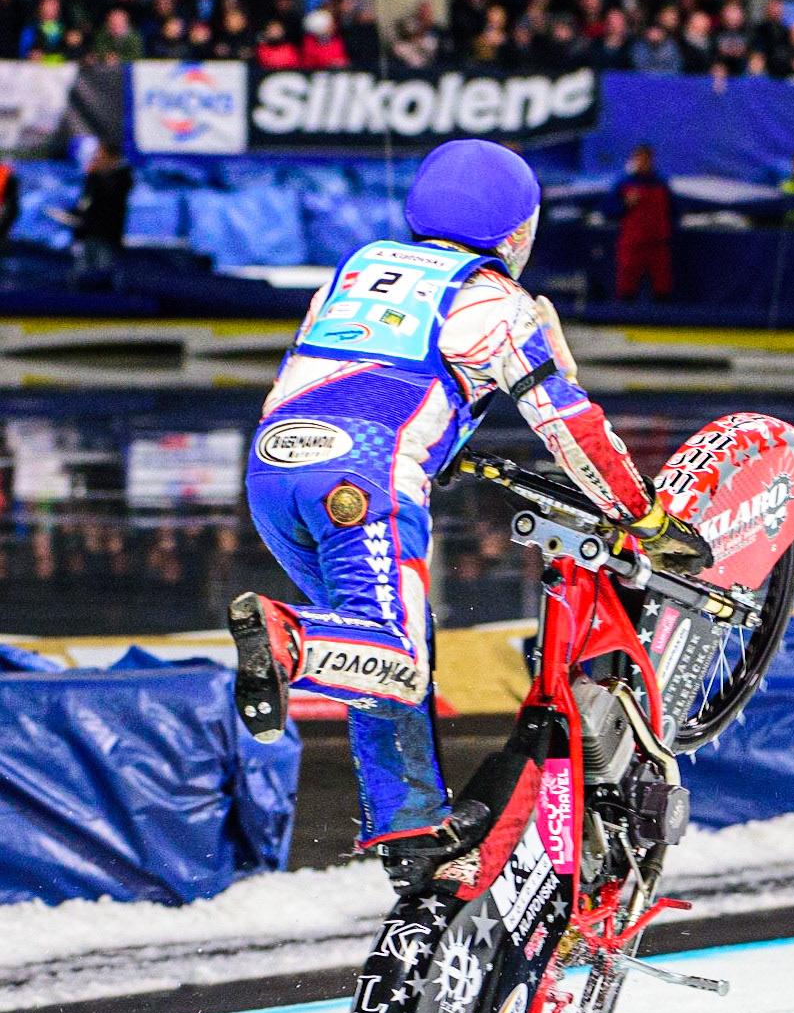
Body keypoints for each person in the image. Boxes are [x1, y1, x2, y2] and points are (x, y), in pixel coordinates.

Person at [229, 139, 711, 894]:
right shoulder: (498, 302)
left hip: (272, 465)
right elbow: (568, 424)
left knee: (384, 648)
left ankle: (409, 824)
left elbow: (350, 371)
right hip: (365, 475)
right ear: (518, 230)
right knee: (391, 649)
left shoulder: (357, 268)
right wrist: (641, 516)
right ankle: (288, 639)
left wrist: (443, 440)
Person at [612, 143, 673, 302]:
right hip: (632, 244)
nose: (643, 163)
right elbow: (608, 210)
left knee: (661, 285)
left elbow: (673, 211)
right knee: (627, 284)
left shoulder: (660, 184)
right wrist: (625, 204)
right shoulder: (623, 184)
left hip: (657, 243)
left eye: (647, 159)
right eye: (640, 159)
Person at [67, 139, 134, 282]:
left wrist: (96, 176)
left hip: (106, 236)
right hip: (86, 234)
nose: (97, 159)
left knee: (103, 272)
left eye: (101, 156)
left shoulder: (122, 178)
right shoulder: (93, 178)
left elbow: (109, 200)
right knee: (81, 273)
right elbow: (85, 202)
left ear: (112, 158)